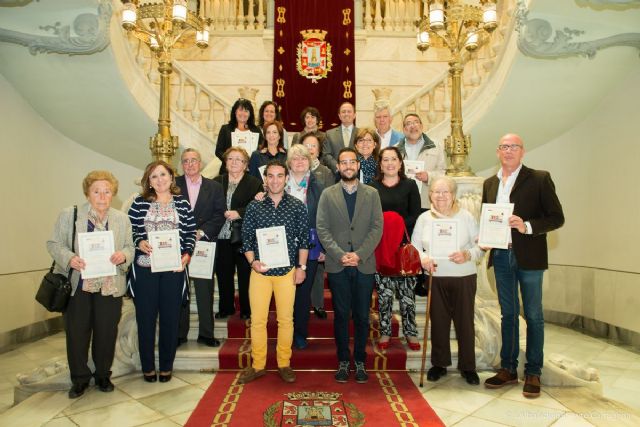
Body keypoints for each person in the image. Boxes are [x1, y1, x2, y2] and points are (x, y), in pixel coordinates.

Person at [482, 133, 564, 398]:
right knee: (508, 314)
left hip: (529, 255)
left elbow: (556, 217)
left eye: (513, 147)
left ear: (522, 151)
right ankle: (508, 369)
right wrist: (484, 237)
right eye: (504, 147)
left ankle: (533, 371)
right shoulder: (489, 183)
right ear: (497, 152)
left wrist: (526, 225)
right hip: (502, 255)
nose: (508, 151)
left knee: (533, 315)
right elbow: (488, 218)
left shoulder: (539, 178)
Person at [47, 171, 134, 398]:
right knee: (77, 333)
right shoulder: (70, 215)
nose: (102, 195)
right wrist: (70, 259)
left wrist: (123, 256)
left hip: (110, 285)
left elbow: (130, 247)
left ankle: (103, 375)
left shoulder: (121, 219)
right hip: (79, 285)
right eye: (96, 191)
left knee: (106, 332)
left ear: (113, 193)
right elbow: (54, 244)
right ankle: (79, 378)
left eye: (107, 191)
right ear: (88, 193)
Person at [238, 160, 310, 384]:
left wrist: (302, 267)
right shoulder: (254, 207)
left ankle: (284, 363)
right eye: (271, 176)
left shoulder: (298, 206)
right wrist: (253, 263)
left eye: (280, 176)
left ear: (286, 178)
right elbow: (246, 239)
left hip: (287, 272)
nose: (275, 180)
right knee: (258, 321)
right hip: (260, 273)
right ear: (265, 179)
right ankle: (258, 365)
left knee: (286, 320)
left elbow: (304, 240)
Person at [317, 148, 383, 384]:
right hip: (338, 264)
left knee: (363, 317)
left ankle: (361, 361)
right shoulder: (327, 194)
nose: (347, 166)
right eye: (343, 162)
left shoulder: (372, 194)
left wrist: (359, 254)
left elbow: (377, 227)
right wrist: (340, 254)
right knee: (342, 315)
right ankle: (344, 361)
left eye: (351, 162)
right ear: (338, 167)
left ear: (358, 165)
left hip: (364, 264)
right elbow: (322, 228)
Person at [411, 176, 484, 385]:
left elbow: (480, 245)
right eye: (436, 191)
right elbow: (415, 246)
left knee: (465, 323)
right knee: (439, 322)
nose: (441, 196)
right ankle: (439, 364)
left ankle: (468, 366)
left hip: (464, 276)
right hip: (435, 277)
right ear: (430, 194)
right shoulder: (424, 218)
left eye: (445, 192)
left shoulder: (466, 217)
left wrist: (468, 254)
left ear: (453, 195)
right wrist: (423, 259)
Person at [128, 161, 196, 383]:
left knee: (170, 319)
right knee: (145, 319)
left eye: (163, 175)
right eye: (154, 176)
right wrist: (140, 242)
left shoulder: (183, 204)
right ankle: (148, 366)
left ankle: (166, 366)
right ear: (149, 180)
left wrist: (187, 255)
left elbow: (189, 234)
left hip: (173, 270)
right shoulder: (138, 203)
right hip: (145, 269)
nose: (159, 180)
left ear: (171, 177)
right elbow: (131, 231)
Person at [368, 146, 422, 350]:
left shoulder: (410, 185)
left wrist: (395, 225)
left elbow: (416, 214)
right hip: (381, 246)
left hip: (402, 247)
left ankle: (411, 332)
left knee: (407, 295)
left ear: (400, 163)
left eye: (394, 159)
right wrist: (385, 228)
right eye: (385, 160)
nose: (390, 163)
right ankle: (385, 332)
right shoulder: (372, 187)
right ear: (380, 164)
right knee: (384, 295)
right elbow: (371, 217)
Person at [176, 148, 225, 347]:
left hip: (203, 244)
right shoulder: (173, 186)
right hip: (179, 246)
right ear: (182, 164)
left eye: (193, 160)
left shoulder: (214, 187)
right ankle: (179, 334)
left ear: (200, 163)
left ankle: (206, 333)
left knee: (205, 291)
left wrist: (201, 232)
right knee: (181, 290)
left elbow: (219, 214)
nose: (190, 164)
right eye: (186, 161)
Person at [213, 147, 264, 319]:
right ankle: (226, 307)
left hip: (244, 236)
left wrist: (239, 213)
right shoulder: (216, 182)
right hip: (220, 235)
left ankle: (246, 310)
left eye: (239, 159)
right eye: (230, 159)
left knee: (245, 274)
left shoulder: (255, 183)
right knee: (223, 273)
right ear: (225, 163)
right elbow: (210, 205)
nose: (234, 162)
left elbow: (257, 207)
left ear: (246, 165)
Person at [285, 145, 325, 349]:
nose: (299, 162)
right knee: (285, 292)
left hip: (309, 244)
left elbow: (325, 217)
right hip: (282, 246)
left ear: (309, 161)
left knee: (302, 293)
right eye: (295, 158)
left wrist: (323, 248)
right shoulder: (279, 181)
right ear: (289, 162)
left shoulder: (318, 183)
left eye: (303, 158)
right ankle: (285, 333)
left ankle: (300, 333)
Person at [300, 131, 334, 318]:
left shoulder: (325, 172)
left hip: (318, 224)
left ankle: (318, 304)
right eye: (307, 145)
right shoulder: (295, 169)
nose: (310, 149)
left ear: (319, 150)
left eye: (314, 146)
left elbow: (329, 200)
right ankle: (302, 304)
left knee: (318, 269)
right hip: (299, 226)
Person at [395, 113, 446, 209]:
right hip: (402, 201)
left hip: (427, 201)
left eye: (416, 122)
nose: (413, 126)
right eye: (408, 123)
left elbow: (443, 173)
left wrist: (429, 176)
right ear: (404, 129)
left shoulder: (436, 147)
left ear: (422, 126)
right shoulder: (395, 149)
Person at [215, 98, 263, 175]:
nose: (243, 113)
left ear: (250, 114)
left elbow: (261, 150)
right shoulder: (225, 129)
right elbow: (218, 151)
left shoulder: (256, 130)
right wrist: (231, 160)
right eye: (240, 110)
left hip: (250, 172)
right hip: (229, 172)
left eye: (246, 111)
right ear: (235, 112)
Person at [322, 102, 358, 172]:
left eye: (349, 111)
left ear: (354, 115)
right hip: (335, 174)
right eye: (343, 112)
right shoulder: (329, 134)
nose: (346, 114)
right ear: (339, 116)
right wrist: (338, 167)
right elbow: (326, 155)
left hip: (355, 173)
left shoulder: (361, 133)